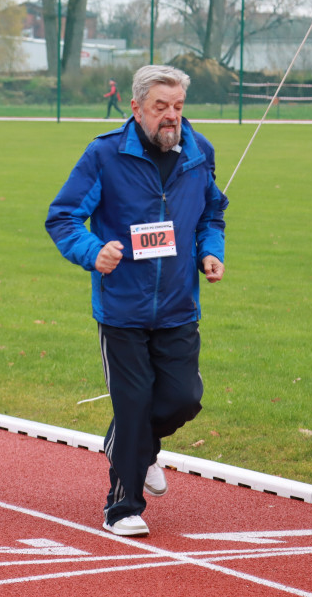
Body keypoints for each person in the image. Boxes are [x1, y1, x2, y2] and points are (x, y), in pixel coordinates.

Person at [46, 64, 228, 537]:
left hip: (177, 306)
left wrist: (211, 252)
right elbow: (63, 217)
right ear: (136, 108)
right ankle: (122, 506)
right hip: (122, 308)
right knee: (132, 405)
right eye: (160, 107)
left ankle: (134, 446)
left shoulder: (199, 151)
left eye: (178, 107)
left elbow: (213, 213)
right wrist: (93, 251)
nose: (171, 117)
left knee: (184, 399)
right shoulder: (105, 154)